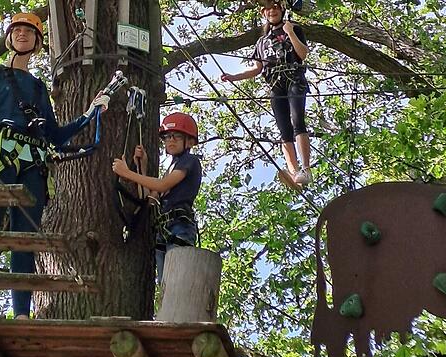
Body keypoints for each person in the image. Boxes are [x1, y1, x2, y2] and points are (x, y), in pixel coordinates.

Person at [0, 12, 109, 318]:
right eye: (17, 30)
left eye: (29, 31)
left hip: (34, 162)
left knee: (25, 239)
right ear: (9, 37)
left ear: (38, 42)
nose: (22, 34)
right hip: (0, 155)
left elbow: (53, 136)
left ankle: (21, 313)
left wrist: (89, 114)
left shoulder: (39, 88)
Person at [221, 0, 311, 188]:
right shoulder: (262, 42)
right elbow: (257, 69)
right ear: (263, 13)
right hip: (276, 85)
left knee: (297, 121)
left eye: (275, 7)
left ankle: (305, 169)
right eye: (267, 9)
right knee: (284, 129)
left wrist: (290, 32)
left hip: (294, 79)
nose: (272, 11)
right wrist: (234, 77)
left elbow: (302, 54)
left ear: (282, 9)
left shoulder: (294, 29)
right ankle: (294, 172)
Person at [112, 113, 202, 282]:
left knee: (176, 282)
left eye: (177, 136)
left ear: (190, 142)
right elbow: (149, 199)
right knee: (165, 283)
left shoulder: (190, 161)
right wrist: (142, 167)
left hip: (179, 227)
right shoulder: (171, 168)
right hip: (164, 231)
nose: (171, 140)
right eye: (167, 136)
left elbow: (162, 185)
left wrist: (126, 173)